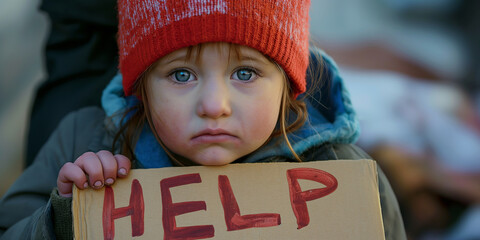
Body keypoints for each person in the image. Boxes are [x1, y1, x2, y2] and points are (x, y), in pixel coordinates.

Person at [0, 0, 406, 239]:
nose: (214, 105)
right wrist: (64, 217)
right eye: (182, 75)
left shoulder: (343, 173)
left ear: (288, 85)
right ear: (140, 87)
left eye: (245, 73)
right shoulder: (82, 141)